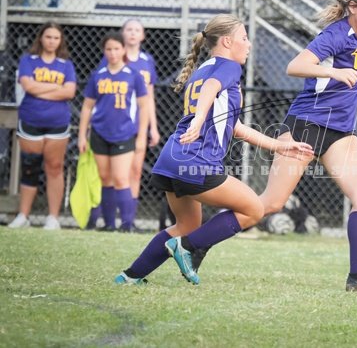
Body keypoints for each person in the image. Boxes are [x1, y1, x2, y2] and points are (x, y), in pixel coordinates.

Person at [113, 14, 313, 285]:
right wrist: (198, 121)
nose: (249, 43)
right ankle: (186, 247)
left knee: (186, 226)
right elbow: (211, 88)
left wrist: (280, 145)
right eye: (244, 38)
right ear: (227, 42)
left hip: (172, 158)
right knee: (254, 209)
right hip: (196, 160)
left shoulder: (204, 68)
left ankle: (131, 275)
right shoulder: (228, 66)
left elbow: (235, 127)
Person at [253, 0, 357, 292]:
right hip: (307, 124)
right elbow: (295, 66)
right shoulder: (334, 34)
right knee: (272, 203)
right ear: (352, 7)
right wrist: (334, 72)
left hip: (341, 131)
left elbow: (355, 64)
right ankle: (194, 244)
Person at [89, 19, 160, 231]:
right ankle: (111, 220)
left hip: (138, 124)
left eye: (137, 30)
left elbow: (149, 98)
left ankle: (129, 220)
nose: (132, 33)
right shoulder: (111, 57)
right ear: (122, 33)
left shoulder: (147, 61)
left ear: (143, 35)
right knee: (114, 176)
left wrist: (153, 127)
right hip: (116, 124)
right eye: (129, 29)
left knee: (135, 171)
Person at [8, 22, 77, 230]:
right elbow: (28, 85)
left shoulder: (66, 65)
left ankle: (53, 218)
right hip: (31, 119)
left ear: (60, 41)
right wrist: (56, 87)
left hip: (57, 122)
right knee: (30, 167)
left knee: (54, 168)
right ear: (41, 38)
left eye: (56, 37)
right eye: (48, 37)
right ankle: (23, 216)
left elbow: (69, 92)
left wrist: (40, 89)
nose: (52, 41)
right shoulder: (28, 60)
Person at [78, 32, 149, 231]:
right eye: (108, 49)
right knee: (105, 179)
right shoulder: (98, 75)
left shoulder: (133, 75)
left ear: (123, 49)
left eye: (116, 48)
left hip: (124, 133)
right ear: (104, 51)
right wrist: (82, 135)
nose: (113, 53)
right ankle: (109, 224)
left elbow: (144, 106)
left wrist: (141, 136)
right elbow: (87, 107)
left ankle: (126, 225)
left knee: (121, 178)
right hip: (99, 132)